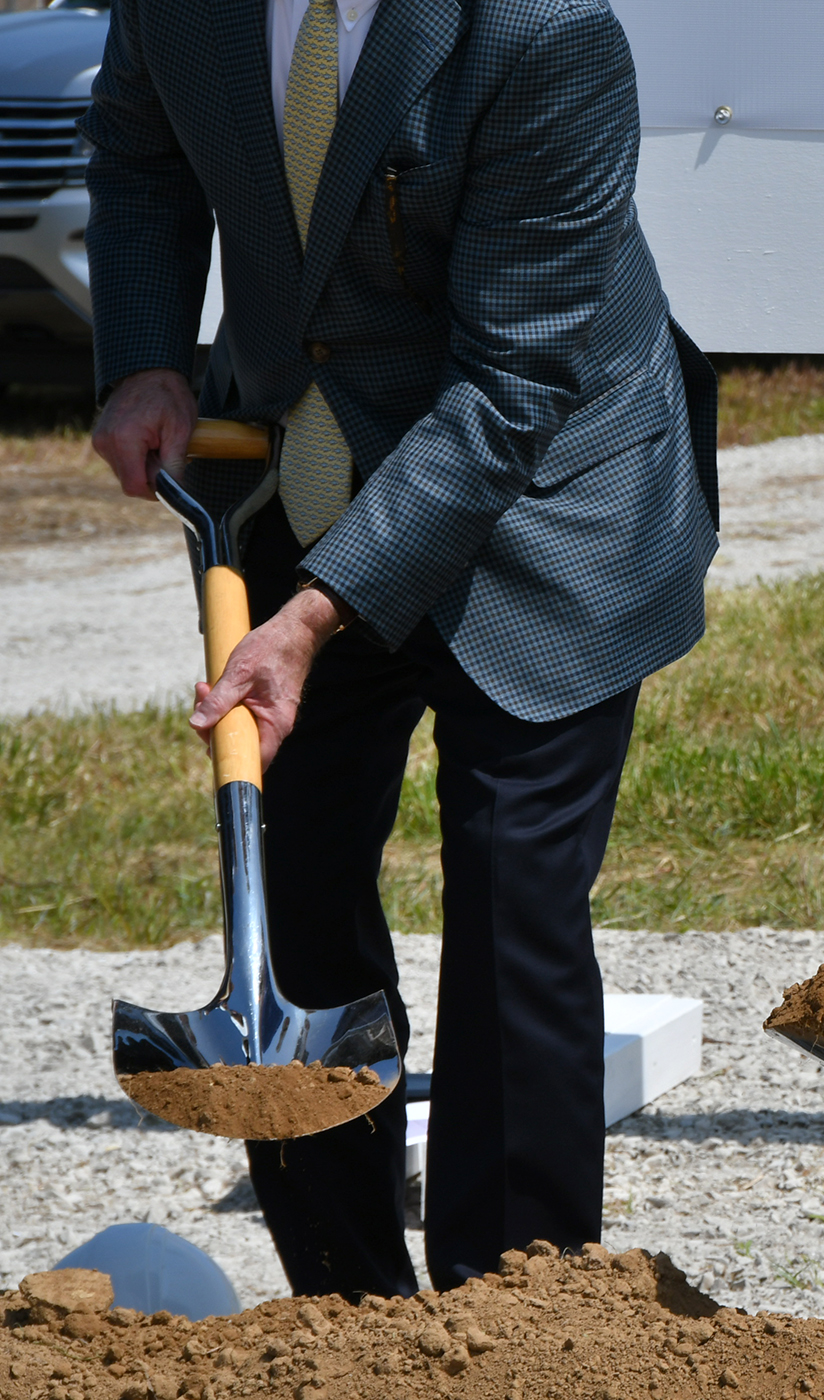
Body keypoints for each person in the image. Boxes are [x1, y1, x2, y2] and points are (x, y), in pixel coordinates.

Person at [83, 0, 717, 1297]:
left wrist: (314, 615)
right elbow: (142, 150)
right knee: (295, 881)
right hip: (304, 462)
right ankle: (346, 1309)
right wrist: (145, 358)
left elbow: (513, 384)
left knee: (510, 901)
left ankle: (510, 1316)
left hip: (551, 491)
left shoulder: (541, 32)